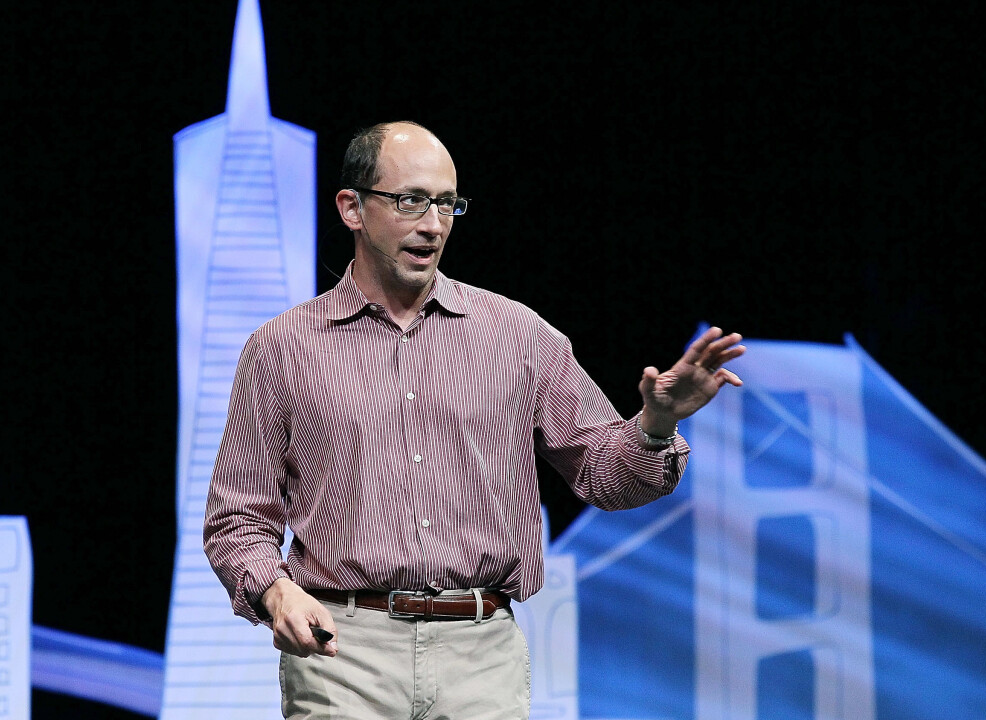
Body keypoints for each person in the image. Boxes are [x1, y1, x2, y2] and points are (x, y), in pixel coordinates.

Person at [204, 120, 745, 719]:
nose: (433, 225)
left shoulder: (518, 337)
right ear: (351, 208)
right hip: (343, 654)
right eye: (411, 201)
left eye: (445, 204)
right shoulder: (282, 348)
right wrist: (274, 590)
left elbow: (602, 475)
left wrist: (654, 424)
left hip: (481, 656)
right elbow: (238, 518)